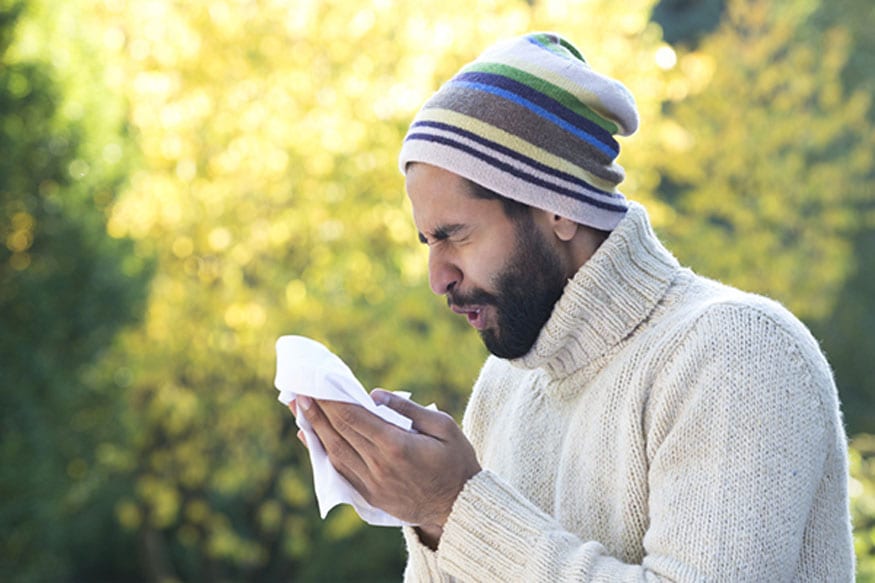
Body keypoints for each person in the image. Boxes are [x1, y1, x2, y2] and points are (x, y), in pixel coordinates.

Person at [290, 32, 854, 580]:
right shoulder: (503, 387)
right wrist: (423, 512)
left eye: (456, 236)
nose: (438, 278)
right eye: (428, 242)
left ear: (559, 207)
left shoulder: (735, 353)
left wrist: (451, 508)